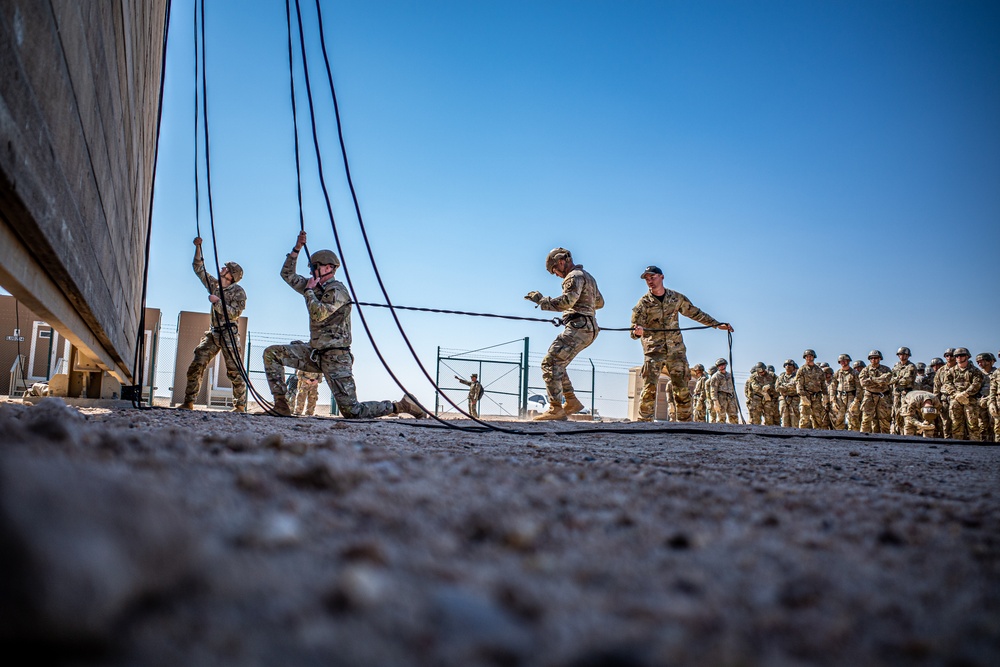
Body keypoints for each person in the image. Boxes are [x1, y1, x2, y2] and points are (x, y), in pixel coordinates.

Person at [262, 231, 425, 419]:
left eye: (314, 267)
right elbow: (287, 274)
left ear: (328, 268)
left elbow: (318, 313)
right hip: (315, 353)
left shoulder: (337, 290)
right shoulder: (314, 286)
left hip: (336, 357)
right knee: (272, 353)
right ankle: (281, 406)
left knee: (352, 411)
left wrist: (308, 291)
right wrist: (297, 248)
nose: (311, 271)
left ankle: (401, 406)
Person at [629, 265, 733, 422]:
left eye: (652, 277)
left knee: (682, 389)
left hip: (676, 351)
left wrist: (717, 324)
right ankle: (644, 424)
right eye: (647, 279)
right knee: (649, 389)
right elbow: (634, 328)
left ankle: (685, 425)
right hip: (654, 351)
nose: (650, 281)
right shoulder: (643, 304)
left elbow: (695, 313)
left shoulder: (676, 298)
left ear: (661, 277)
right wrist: (637, 332)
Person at [525, 247, 604, 421]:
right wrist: (579, 309)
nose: (555, 274)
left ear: (561, 261)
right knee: (558, 363)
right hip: (588, 328)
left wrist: (542, 301)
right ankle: (571, 401)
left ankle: (555, 408)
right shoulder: (588, 277)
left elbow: (567, 301)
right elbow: (599, 302)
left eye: (554, 270)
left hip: (579, 327)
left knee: (550, 362)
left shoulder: (574, 276)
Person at [180, 237, 247, 412]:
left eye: (226, 268)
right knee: (198, 361)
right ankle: (189, 402)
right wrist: (198, 248)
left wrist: (217, 302)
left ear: (231, 275)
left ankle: (240, 405)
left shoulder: (238, 292)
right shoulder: (215, 285)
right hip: (214, 333)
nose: (222, 269)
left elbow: (234, 313)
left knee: (234, 369)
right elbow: (199, 269)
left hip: (229, 334)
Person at [942, 347, 984, 441]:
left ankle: (975, 447)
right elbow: (947, 384)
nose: (959, 358)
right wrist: (956, 394)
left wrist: (965, 394)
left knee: (973, 425)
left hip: (970, 400)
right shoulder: (951, 371)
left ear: (967, 356)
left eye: (961, 355)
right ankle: (958, 447)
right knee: (956, 426)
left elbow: (976, 384)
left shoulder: (975, 371)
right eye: (957, 356)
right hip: (956, 400)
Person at [859, 350, 893, 434]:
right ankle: (863, 438)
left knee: (884, 420)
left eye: (876, 358)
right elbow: (863, 383)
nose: (874, 359)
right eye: (872, 358)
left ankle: (886, 440)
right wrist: (878, 380)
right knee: (866, 419)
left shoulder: (886, 369)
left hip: (883, 396)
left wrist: (871, 380)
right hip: (869, 396)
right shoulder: (865, 370)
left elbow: (887, 380)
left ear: (880, 358)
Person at [795, 349, 828, 429]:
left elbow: (823, 383)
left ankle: (818, 437)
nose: (809, 358)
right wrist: (802, 396)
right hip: (806, 396)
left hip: (817, 397)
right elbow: (799, 384)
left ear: (814, 357)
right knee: (804, 419)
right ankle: (802, 437)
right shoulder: (802, 370)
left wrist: (826, 396)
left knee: (818, 419)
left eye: (811, 356)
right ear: (805, 358)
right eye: (807, 356)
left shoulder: (819, 370)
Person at [890, 346, 917, 434]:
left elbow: (907, 379)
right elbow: (890, 379)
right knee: (895, 414)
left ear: (908, 356)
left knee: (906, 413)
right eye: (901, 354)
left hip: (907, 393)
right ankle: (897, 433)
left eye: (905, 354)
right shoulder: (896, 366)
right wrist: (897, 379)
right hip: (897, 393)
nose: (902, 356)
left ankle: (906, 434)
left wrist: (896, 380)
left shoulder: (911, 366)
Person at [831, 354, 861, 431]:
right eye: (841, 361)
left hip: (851, 397)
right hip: (840, 397)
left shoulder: (855, 373)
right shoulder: (837, 373)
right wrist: (833, 401)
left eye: (845, 361)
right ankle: (839, 438)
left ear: (848, 361)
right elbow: (833, 388)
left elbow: (859, 388)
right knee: (838, 419)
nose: (843, 362)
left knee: (853, 419)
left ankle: (854, 438)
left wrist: (856, 401)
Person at [934, 348, 958, 438]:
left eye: (951, 355)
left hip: (957, 398)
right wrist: (936, 402)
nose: (949, 357)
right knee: (945, 422)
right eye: (947, 355)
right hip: (944, 399)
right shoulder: (941, 370)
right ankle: (947, 440)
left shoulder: (959, 368)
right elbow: (936, 387)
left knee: (958, 422)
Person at [709, 357, 739, 424]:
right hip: (721, 397)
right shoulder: (715, 376)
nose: (722, 366)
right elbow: (713, 389)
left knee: (734, 416)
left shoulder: (729, 375)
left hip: (730, 397)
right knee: (721, 417)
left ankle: (735, 431)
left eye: (723, 364)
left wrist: (735, 400)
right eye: (720, 365)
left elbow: (733, 388)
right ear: (718, 367)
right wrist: (715, 401)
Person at [974, 353, 996, 442]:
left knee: (994, 423)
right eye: (978, 362)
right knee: (982, 425)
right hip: (980, 402)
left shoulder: (996, 373)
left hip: (993, 401)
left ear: (989, 361)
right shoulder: (978, 374)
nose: (979, 364)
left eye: (981, 361)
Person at [775, 359, 800, 428]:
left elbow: (795, 386)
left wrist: (784, 386)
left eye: (790, 365)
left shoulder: (797, 376)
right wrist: (789, 386)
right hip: (783, 399)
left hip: (794, 399)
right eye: (786, 365)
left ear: (793, 366)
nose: (788, 366)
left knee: (795, 420)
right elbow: (777, 388)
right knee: (784, 420)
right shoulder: (781, 377)